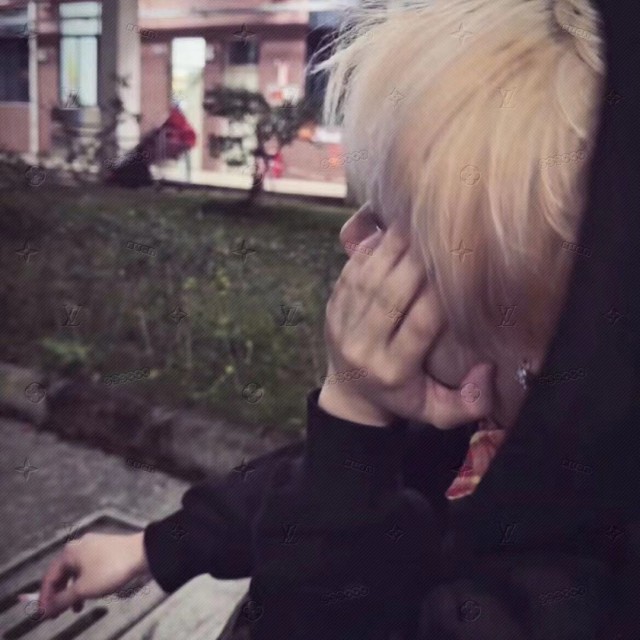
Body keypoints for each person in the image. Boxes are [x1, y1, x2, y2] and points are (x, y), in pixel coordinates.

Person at [25, 0, 640, 638]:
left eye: (398, 234)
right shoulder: (485, 421)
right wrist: (157, 547)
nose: (351, 237)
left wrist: (354, 411)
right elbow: (332, 475)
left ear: (543, 344)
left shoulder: (567, 594)